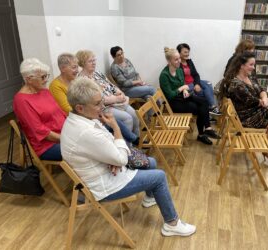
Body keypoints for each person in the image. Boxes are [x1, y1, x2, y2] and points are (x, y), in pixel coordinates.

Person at [60, 77, 196, 237]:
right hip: (104, 186)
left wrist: (114, 158)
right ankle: (172, 224)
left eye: (101, 101)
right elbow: (119, 154)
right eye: (97, 104)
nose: (102, 106)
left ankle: (150, 197)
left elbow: (110, 145)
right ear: (80, 108)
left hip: (106, 170)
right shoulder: (86, 131)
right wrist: (116, 129)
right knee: (159, 177)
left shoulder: (81, 119)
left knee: (150, 162)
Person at [220, 52, 268, 162]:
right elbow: (252, 101)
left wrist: (265, 98)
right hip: (244, 118)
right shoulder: (235, 84)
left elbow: (261, 90)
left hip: (254, 111)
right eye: (251, 65)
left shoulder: (250, 77)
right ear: (242, 65)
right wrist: (264, 101)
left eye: (254, 65)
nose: (253, 67)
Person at [49, 53, 138, 144]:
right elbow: (68, 109)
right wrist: (94, 114)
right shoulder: (56, 86)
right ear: (63, 69)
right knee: (116, 122)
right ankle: (130, 144)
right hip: (80, 120)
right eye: (74, 67)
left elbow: (90, 98)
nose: (77, 70)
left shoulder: (75, 80)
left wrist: (96, 110)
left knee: (116, 121)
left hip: (89, 113)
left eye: (77, 67)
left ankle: (131, 143)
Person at [159, 47, 221, 145]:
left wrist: (184, 89)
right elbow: (170, 95)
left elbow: (183, 83)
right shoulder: (164, 75)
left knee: (204, 101)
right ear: (169, 61)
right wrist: (182, 88)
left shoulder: (179, 70)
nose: (179, 61)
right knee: (200, 108)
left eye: (179, 58)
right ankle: (202, 134)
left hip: (183, 97)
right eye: (176, 59)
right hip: (174, 102)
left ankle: (207, 129)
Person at [77, 50, 140, 137]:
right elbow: (95, 100)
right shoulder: (82, 80)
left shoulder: (97, 73)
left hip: (116, 102)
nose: (94, 63)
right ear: (83, 63)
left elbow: (111, 85)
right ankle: (126, 146)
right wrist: (116, 98)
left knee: (135, 114)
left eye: (94, 60)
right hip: (102, 108)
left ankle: (137, 140)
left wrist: (120, 92)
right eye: (90, 61)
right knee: (127, 119)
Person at [13, 58, 65, 161]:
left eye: (46, 76)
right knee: (84, 149)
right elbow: (40, 131)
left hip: (64, 134)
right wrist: (65, 139)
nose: (46, 80)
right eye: (42, 77)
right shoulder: (21, 100)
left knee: (93, 139)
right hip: (47, 146)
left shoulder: (44, 91)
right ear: (28, 79)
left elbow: (60, 112)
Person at [176, 43, 221, 115]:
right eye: (185, 52)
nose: (187, 54)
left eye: (188, 52)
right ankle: (212, 108)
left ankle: (212, 107)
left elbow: (196, 75)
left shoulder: (189, 62)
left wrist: (197, 84)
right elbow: (180, 80)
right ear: (179, 53)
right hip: (187, 85)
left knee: (208, 83)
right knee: (205, 93)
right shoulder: (177, 64)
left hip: (193, 82)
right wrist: (194, 85)